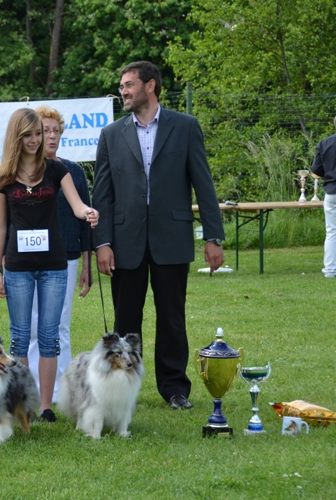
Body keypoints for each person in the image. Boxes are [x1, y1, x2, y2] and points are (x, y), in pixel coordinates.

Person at [92, 61, 225, 410]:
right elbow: (102, 195)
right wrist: (102, 243)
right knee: (126, 322)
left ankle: (175, 389)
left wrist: (213, 237)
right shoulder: (110, 135)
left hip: (172, 238)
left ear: (150, 86)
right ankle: (121, 389)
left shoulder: (185, 127)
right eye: (122, 86)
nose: (123, 91)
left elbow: (203, 184)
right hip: (124, 243)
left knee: (171, 318)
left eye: (129, 84)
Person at [0, 107, 98, 422]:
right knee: (21, 336)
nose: (37, 140)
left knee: (50, 334)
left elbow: (77, 205)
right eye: (30, 135)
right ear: (17, 137)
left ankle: (46, 406)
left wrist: (87, 213)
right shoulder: (3, 177)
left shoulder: (57, 169)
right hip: (18, 267)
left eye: (39, 134)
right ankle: (24, 403)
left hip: (54, 264)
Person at [27, 105, 92, 403]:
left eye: (56, 131)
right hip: (30, 258)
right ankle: (34, 390)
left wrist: (87, 265)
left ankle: (62, 393)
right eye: (45, 131)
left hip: (66, 257)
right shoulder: (23, 171)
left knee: (59, 325)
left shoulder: (73, 171)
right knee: (31, 326)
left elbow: (85, 222)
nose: (51, 136)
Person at [311, 111, 336, 278]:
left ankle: (330, 270)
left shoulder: (324, 143)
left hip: (331, 191)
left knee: (332, 232)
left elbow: (316, 170)